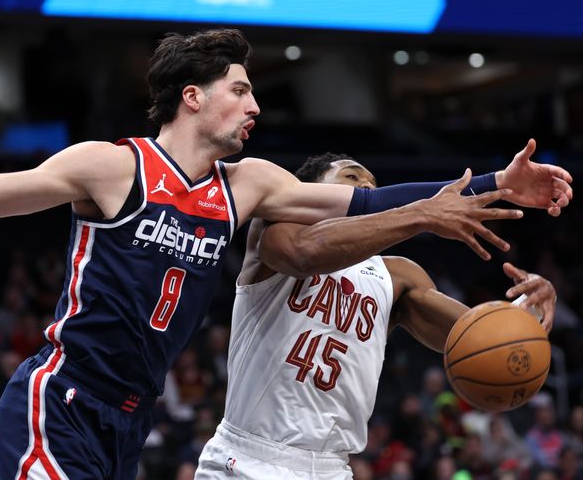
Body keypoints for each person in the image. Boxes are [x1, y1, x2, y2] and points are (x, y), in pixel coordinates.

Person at [0, 28, 573, 479]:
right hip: (62, 397)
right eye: (240, 89)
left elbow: (367, 201)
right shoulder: (111, 165)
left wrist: (495, 182)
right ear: (193, 96)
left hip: (132, 418)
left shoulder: (248, 185)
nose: (256, 104)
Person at [195, 152, 559, 479]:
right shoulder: (275, 228)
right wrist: (418, 214)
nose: (367, 190)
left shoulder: (398, 275)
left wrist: (524, 312)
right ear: (311, 191)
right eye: (352, 179)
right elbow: (303, 254)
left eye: (373, 186)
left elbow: (477, 336)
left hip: (332, 468)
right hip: (248, 459)